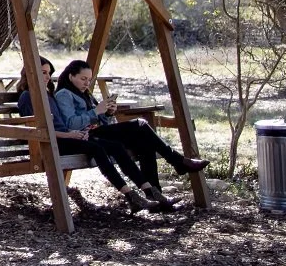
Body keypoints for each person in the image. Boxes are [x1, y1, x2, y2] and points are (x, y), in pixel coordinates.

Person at [55, 58, 207, 210]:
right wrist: (95, 111)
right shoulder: (64, 94)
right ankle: (177, 161)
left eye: (89, 79)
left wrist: (107, 113)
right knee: (140, 124)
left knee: (145, 143)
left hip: (99, 132)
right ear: (71, 76)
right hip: (86, 136)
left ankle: (156, 196)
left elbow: (105, 123)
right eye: (83, 79)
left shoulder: (85, 94)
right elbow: (70, 124)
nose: (87, 83)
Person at [17, 59, 152, 212]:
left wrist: (78, 133)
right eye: (43, 73)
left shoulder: (47, 95)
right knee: (96, 148)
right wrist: (69, 135)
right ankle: (130, 196)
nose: (48, 77)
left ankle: (148, 191)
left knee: (115, 146)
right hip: (52, 143)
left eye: (48, 73)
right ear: (30, 73)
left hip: (66, 138)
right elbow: (36, 131)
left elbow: (62, 123)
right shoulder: (27, 97)